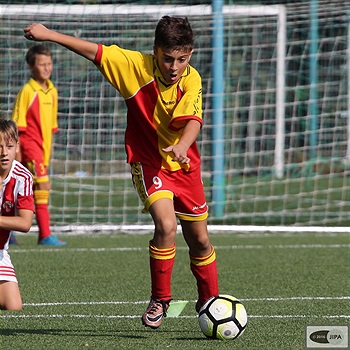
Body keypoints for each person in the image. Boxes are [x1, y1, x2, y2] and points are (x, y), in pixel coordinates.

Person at [22, 16, 219, 328]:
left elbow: (193, 120)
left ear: (190, 55)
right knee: (166, 227)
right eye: (167, 59)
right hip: (148, 161)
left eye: (181, 59)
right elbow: (93, 51)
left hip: (184, 166)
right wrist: (49, 34)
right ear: (155, 51)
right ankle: (160, 299)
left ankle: (210, 300)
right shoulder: (133, 66)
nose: (173, 67)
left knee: (201, 241)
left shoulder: (191, 79)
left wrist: (182, 146)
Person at [11, 45, 66, 246]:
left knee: (19, 189)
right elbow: (17, 125)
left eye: (49, 64)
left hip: (42, 151)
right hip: (28, 146)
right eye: (42, 64)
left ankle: (9, 232)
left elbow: (51, 127)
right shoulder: (27, 91)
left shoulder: (52, 90)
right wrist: (16, 153)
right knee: (43, 185)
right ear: (31, 67)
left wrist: (48, 153)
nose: (46, 68)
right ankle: (44, 234)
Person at [0, 119, 35, 310]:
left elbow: (25, 223)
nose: (4, 152)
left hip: (0, 253)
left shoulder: (23, 177)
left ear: (17, 147)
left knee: (14, 307)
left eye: (9, 146)